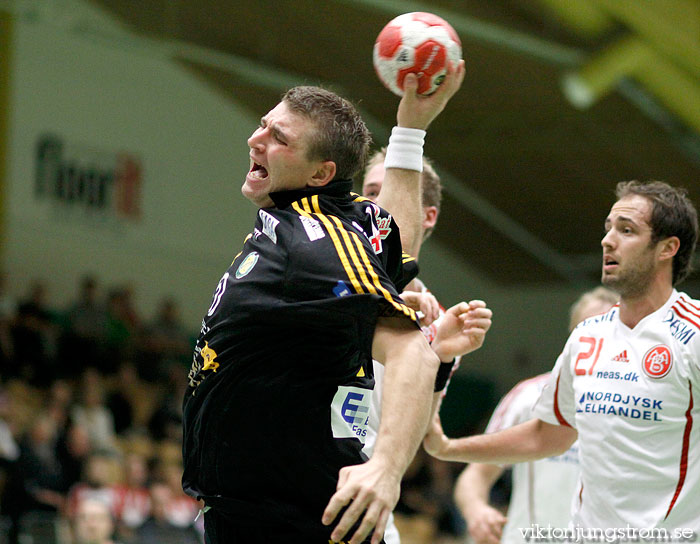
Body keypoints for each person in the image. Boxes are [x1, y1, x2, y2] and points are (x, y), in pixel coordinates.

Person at [182, 62, 466, 544]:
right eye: (264, 125)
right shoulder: (340, 222)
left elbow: (412, 350)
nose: (256, 140)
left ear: (320, 173)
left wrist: (386, 471)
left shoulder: (314, 249)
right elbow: (394, 235)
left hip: (291, 517)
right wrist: (410, 128)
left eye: (280, 139)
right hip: (260, 509)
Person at [425, 181, 699, 532]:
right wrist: (448, 448)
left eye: (626, 230)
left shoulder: (693, 333)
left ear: (668, 248)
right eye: (608, 228)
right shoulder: (587, 336)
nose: (607, 240)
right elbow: (547, 436)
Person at [361, 150, 493, 544]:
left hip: (365, 502)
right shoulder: (322, 272)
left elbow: (424, 433)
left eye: (391, 191)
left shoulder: (439, 322)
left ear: (428, 216)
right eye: (369, 191)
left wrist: (441, 355)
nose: (377, 204)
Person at [455, 287, 618, 544]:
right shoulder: (529, 395)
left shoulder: (641, 407)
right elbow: (475, 476)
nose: (596, 339)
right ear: (572, 336)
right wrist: (477, 511)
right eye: (586, 329)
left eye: (608, 329)